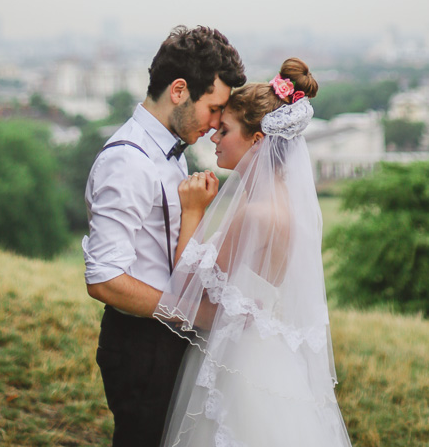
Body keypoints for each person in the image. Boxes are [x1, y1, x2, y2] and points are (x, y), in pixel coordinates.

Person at [154, 58, 352, 447]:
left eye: (224, 130)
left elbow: (188, 286)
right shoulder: (280, 204)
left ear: (256, 140)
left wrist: (193, 211)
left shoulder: (256, 213)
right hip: (266, 350)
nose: (214, 136)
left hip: (241, 358)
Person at [83, 25, 246, 447]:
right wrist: (189, 313)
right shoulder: (128, 162)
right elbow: (103, 279)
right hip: (141, 349)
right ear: (179, 91)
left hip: (165, 341)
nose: (215, 126)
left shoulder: (167, 151)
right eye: (213, 108)